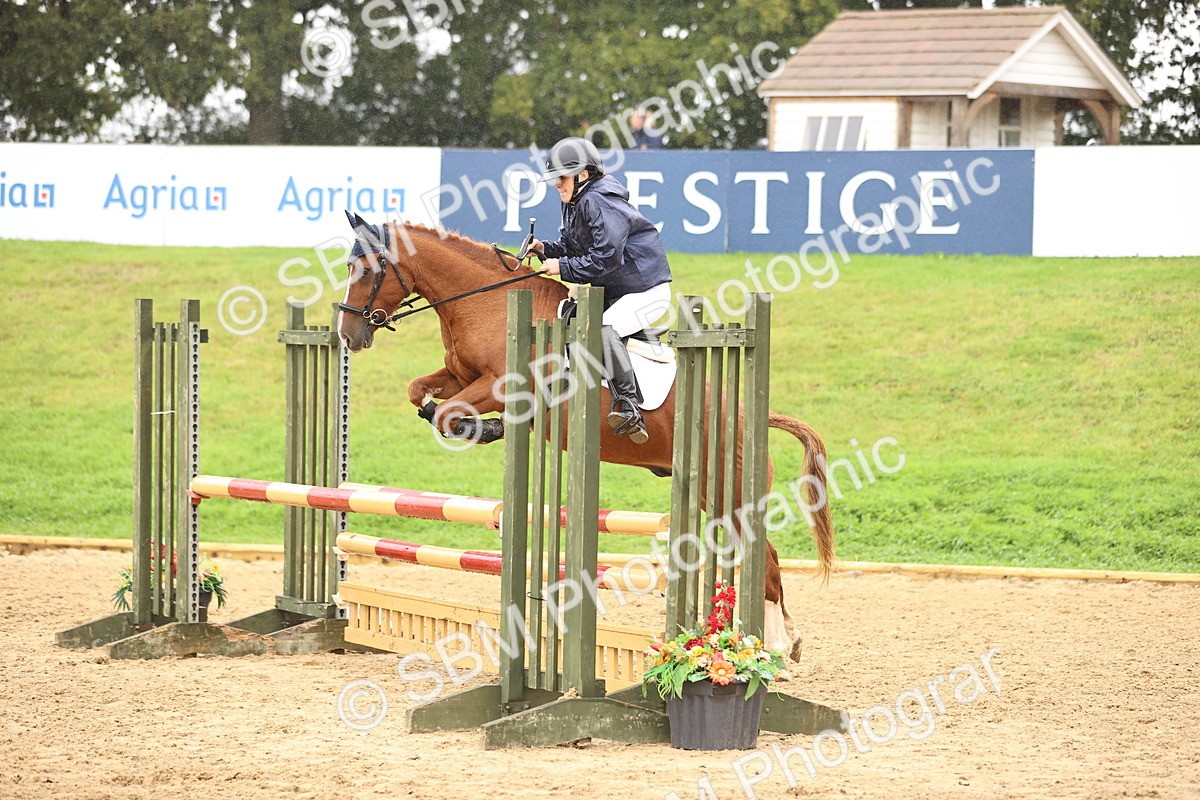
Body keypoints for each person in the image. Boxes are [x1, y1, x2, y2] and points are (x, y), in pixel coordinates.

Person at [530, 137, 672, 444]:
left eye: (561, 177)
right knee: (569, 314)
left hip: (645, 292)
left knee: (606, 329)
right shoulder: (578, 202)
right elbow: (571, 246)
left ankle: (629, 406)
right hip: (617, 291)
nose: (556, 184)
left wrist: (562, 268)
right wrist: (545, 249)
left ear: (583, 174)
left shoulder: (599, 200)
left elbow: (606, 258)